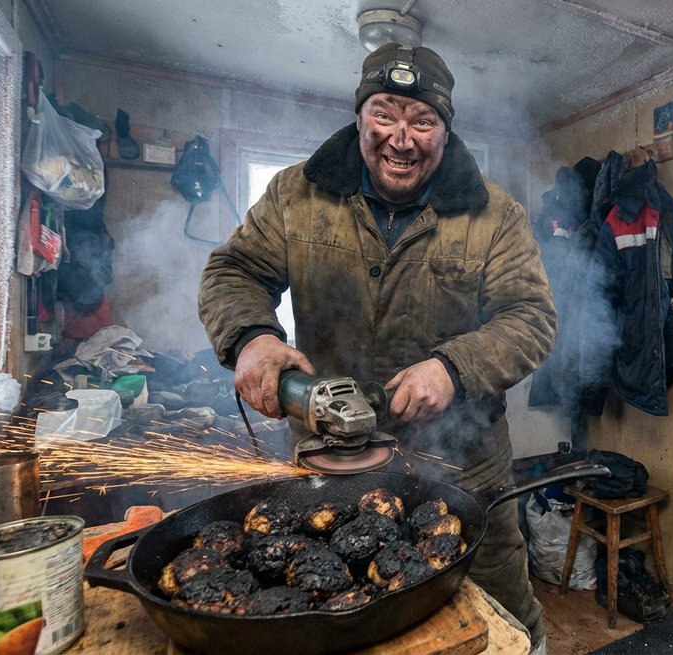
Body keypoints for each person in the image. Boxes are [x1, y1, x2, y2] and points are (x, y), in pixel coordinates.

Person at [197, 44, 557, 648]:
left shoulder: (497, 216)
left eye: (422, 121)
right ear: (360, 116)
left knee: (500, 618)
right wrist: (253, 339)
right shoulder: (296, 194)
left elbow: (531, 318)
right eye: (385, 114)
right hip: (328, 461)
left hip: (463, 468)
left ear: (444, 131)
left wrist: (453, 367)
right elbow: (233, 272)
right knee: (329, 603)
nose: (401, 138)